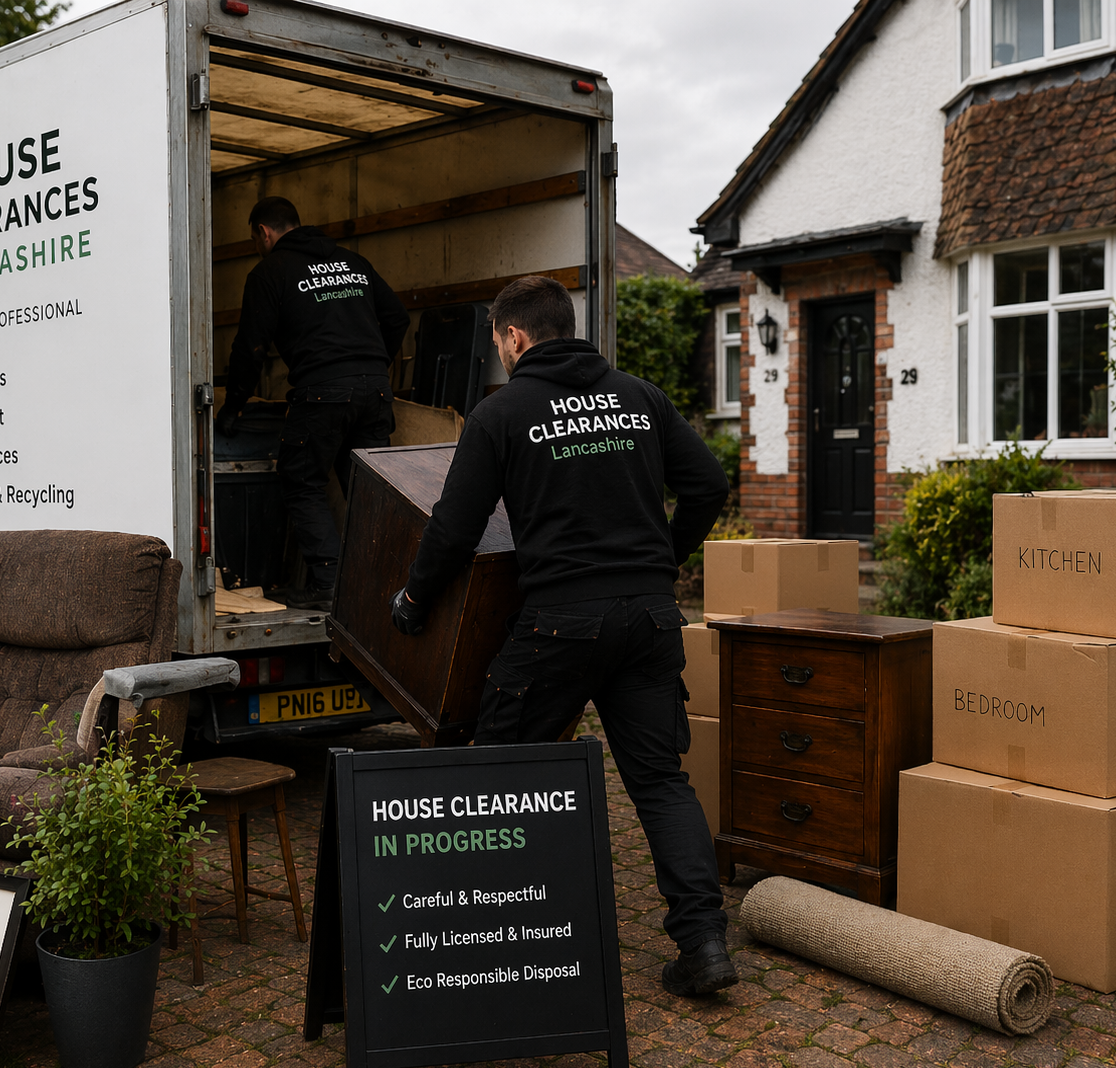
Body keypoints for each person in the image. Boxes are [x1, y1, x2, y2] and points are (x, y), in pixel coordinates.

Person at [389, 275, 736, 996]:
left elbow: (455, 527)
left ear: (514, 338)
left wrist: (415, 597)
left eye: (497, 344)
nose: (498, 355)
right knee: (661, 784)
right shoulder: (639, 397)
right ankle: (704, 945)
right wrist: (661, 560)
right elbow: (708, 484)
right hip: (647, 621)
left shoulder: (502, 412)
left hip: (561, 625)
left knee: (501, 775)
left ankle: (494, 950)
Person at [221, 196, 410, 609]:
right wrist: (373, 363)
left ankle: (328, 581)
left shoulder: (270, 271)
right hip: (375, 391)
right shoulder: (352, 262)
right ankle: (377, 587)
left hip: (323, 392)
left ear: (263, 233)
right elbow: (397, 317)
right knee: (369, 491)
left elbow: (251, 347)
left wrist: (233, 407)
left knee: (301, 479)